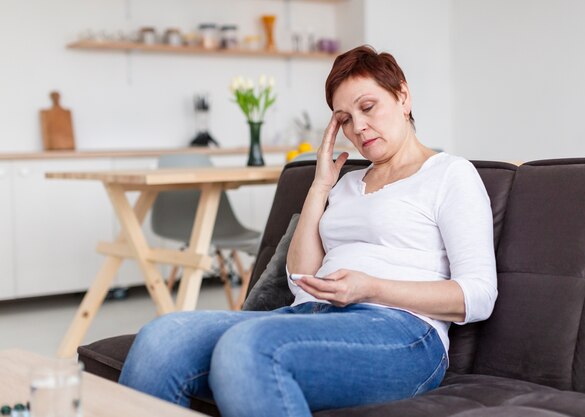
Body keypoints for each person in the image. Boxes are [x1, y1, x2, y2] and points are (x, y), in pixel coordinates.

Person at [118, 45, 497, 417]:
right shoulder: (346, 184)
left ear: (403, 96)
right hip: (311, 316)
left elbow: (478, 297)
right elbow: (301, 280)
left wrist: (372, 287)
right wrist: (320, 186)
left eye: (367, 108)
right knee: (162, 337)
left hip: (403, 332)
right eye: (344, 119)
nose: (358, 127)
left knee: (247, 346)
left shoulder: (450, 174)